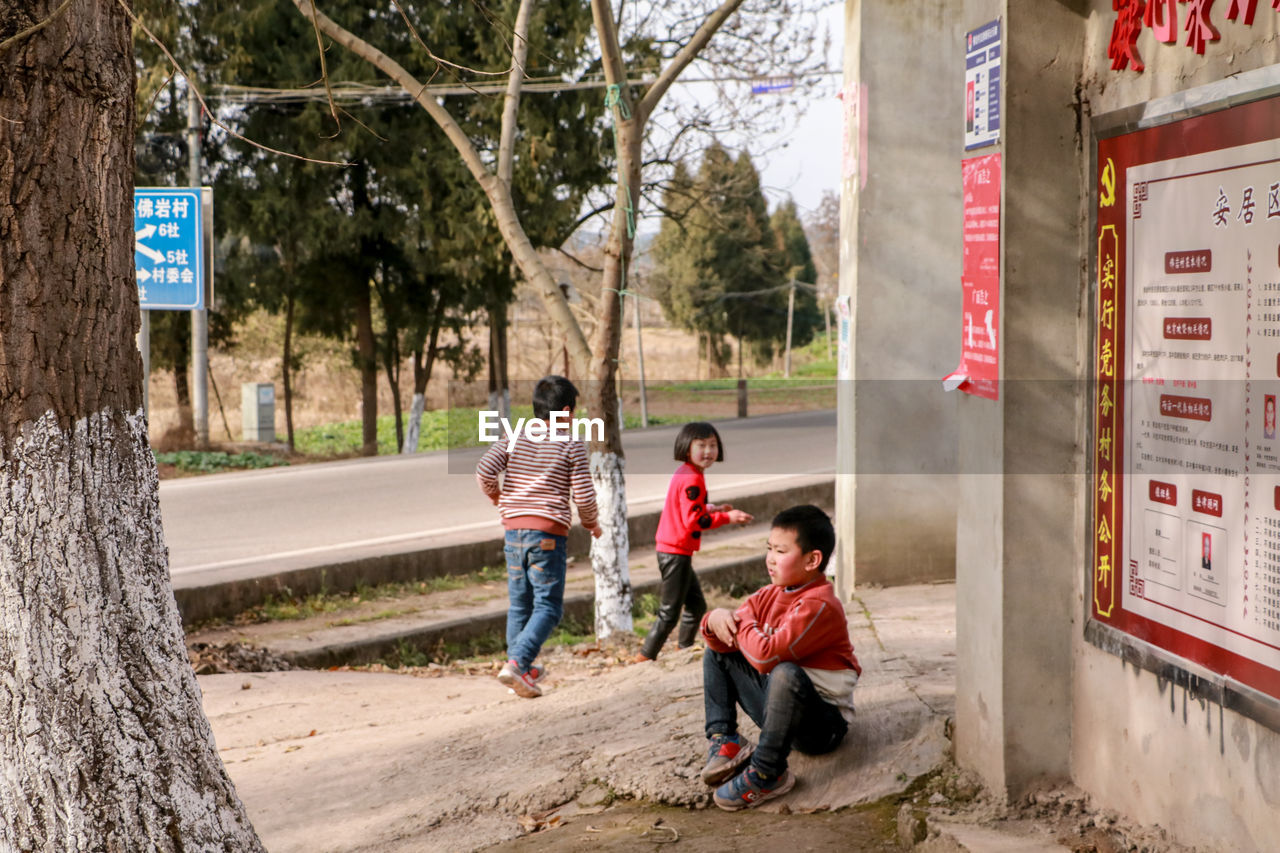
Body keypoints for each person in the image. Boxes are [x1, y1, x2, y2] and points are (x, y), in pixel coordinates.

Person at [697, 505, 860, 811]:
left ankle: (767, 772)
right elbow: (724, 640)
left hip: (821, 728)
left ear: (812, 560)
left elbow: (764, 656)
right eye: (769, 548)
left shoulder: (820, 605)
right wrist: (713, 619)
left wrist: (737, 621)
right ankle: (726, 739)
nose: (771, 558)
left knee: (784, 672)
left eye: (781, 551)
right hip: (780, 714)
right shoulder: (769, 594)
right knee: (717, 655)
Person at [476, 375, 601, 699]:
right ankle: (518, 664)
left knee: (520, 604)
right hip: (547, 535)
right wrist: (592, 525)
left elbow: (484, 470)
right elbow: (584, 496)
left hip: (513, 531)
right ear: (566, 411)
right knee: (548, 607)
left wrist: (498, 498)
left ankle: (520, 669)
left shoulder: (514, 435)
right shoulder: (571, 442)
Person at [634, 422, 753, 662]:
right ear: (686, 448)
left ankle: (684, 650)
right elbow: (694, 521)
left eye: (713, 445)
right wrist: (727, 518)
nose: (708, 451)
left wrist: (713, 508)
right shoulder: (693, 479)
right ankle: (645, 656)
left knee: (697, 606)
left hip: (677, 549)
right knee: (669, 612)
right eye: (702, 445)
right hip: (675, 551)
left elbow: (689, 508)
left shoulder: (687, 472)